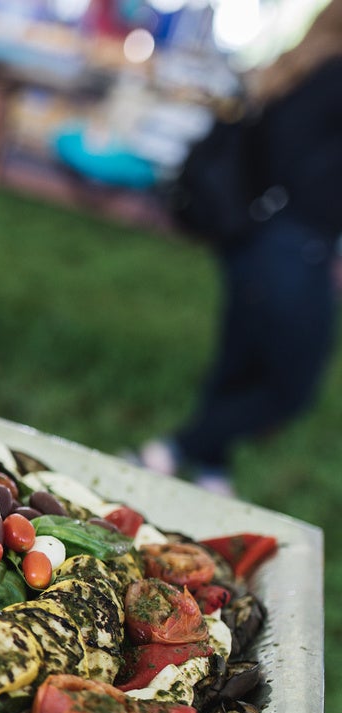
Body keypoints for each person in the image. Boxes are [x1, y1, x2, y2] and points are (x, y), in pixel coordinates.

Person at [135, 0, 342, 496]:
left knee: (239, 362)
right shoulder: (334, 76)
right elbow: (301, 161)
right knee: (291, 388)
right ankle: (169, 452)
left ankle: (209, 472)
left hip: (253, 235)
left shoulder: (302, 64)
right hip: (295, 243)